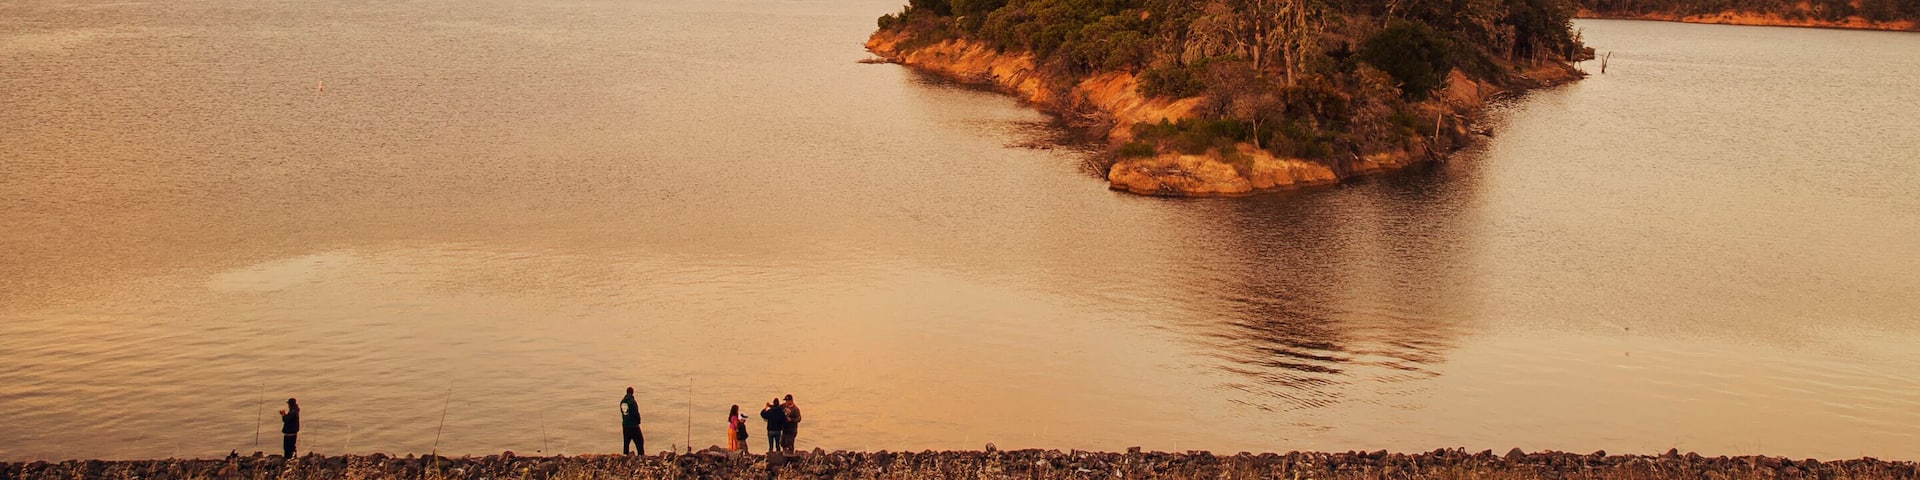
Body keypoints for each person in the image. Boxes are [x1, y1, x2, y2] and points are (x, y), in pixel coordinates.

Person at [619, 387, 644, 455]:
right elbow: (635, 413)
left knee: (626, 443)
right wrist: (638, 421)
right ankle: (641, 456)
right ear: (632, 392)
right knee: (640, 441)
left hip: (625, 425)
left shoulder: (622, 402)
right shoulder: (632, 402)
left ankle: (625, 456)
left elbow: (624, 413)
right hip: (633, 426)